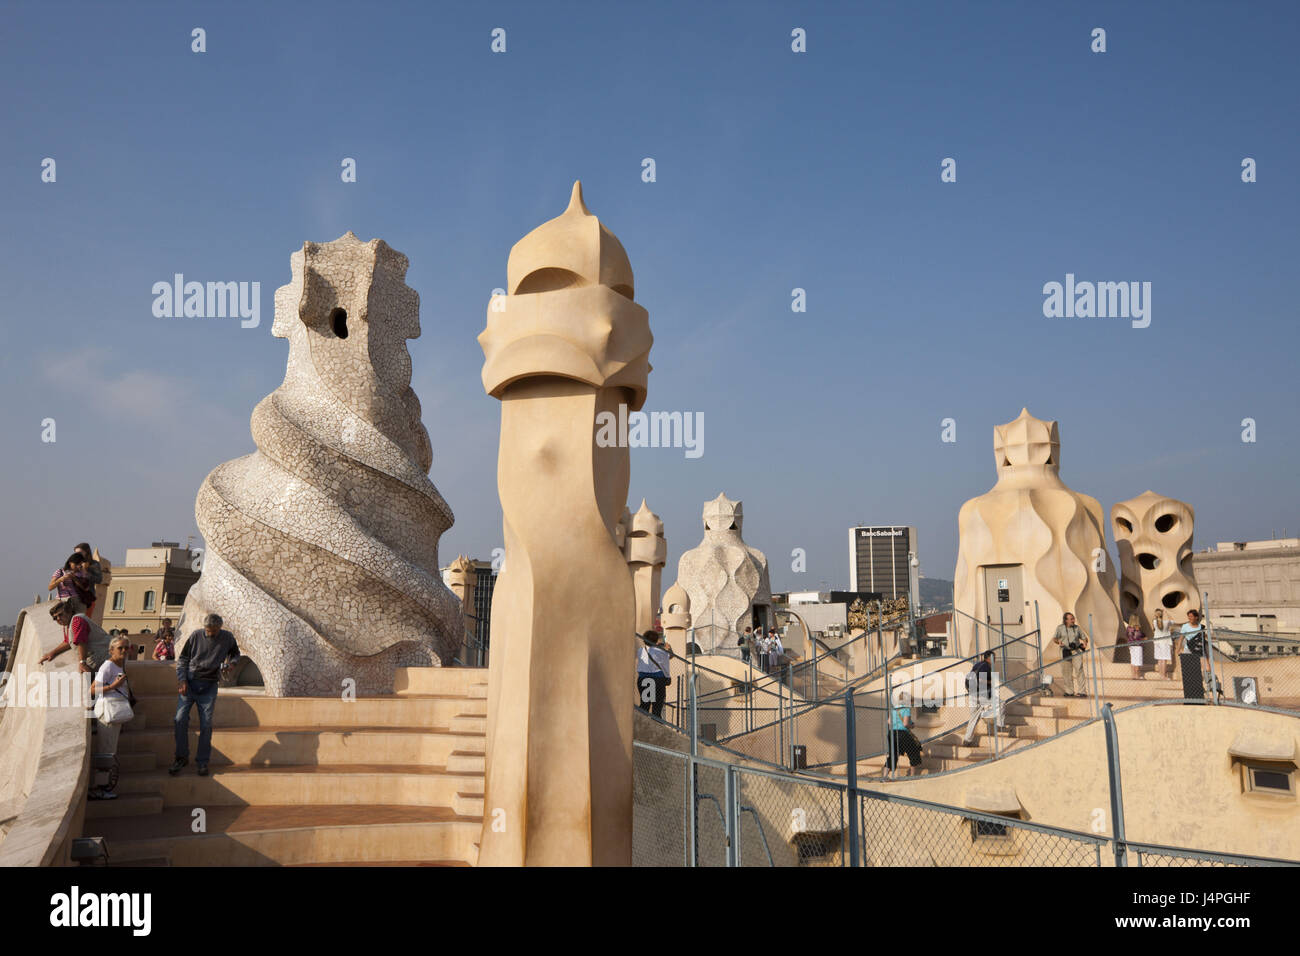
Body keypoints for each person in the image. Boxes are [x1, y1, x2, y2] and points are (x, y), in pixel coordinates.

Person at [172, 613, 240, 776]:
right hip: (190, 683)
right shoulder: (195, 636)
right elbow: (182, 660)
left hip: (209, 686)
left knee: (206, 724)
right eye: (208, 630)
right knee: (179, 719)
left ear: (220, 628)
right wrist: (182, 680)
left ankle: (202, 762)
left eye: (214, 631)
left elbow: (235, 654)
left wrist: (232, 664)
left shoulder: (227, 638)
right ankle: (181, 757)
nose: (210, 634)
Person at [90, 636, 133, 801]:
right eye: (120, 648)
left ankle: (103, 787)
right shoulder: (108, 666)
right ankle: (99, 789)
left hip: (115, 712)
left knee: (109, 751)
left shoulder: (120, 664)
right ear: (111, 650)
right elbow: (92, 690)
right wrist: (113, 686)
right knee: (106, 753)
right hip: (107, 713)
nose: (124, 651)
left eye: (126, 648)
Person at [38, 597, 95, 674]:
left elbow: (81, 641)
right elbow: (68, 641)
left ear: (69, 612)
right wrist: (52, 653)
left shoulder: (77, 620)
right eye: (55, 618)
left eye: (60, 615)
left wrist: (82, 663)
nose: (58, 619)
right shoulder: (68, 626)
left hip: (105, 656)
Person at [962, 651, 1001, 744]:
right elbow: (980, 679)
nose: (995, 660)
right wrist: (991, 682)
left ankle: (967, 739)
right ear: (988, 658)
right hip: (980, 694)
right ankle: (997, 724)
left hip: (973, 693)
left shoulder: (978, 665)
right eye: (993, 658)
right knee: (1000, 703)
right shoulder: (986, 666)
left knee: (974, 717)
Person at [885, 691, 924, 776]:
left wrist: (897, 723)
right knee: (914, 751)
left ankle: (885, 776)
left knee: (893, 755)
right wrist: (912, 725)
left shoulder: (894, 708)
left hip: (892, 733)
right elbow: (906, 724)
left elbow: (889, 721)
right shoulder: (906, 709)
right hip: (902, 734)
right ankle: (912, 775)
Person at [636, 631, 672, 718]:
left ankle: (642, 723)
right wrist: (668, 649)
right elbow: (669, 657)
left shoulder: (640, 650)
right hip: (657, 680)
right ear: (656, 640)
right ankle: (657, 722)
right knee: (657, 706)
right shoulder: (660, 651)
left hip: (644, 679)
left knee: (645, 705)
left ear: (644, 640)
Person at [1052, 612, 1089, 697]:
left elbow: (1084, 638)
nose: (1073, 620)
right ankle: (1069, 691)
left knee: (1079, 670)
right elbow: (1055, 638)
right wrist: (1059, 642)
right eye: (1071, 619)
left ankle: (1082, 691)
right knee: (1066, 672)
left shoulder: (1077, 628)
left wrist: (1085, 643)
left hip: (1076, 651)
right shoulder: (1060, 628)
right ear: (1066, 620)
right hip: (1065, 651)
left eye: (1073, 618)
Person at [1178, 609, 1214, 695]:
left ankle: (1207, 684)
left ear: (1196, 617)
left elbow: (1203, 640)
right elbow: (1181, 639)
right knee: (1189, 669)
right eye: (1188, 616)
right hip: (1188, 649)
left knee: (1207, 667)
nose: (1189, 618)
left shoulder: (1201, 627)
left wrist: (1207, 654)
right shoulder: (1185, 626)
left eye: (1191, 616)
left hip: (1200, 650)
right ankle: (1190, 686)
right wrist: (1178, 649)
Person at [1151, 608, 1174, 680]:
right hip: (1165, 642)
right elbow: (1173, 621)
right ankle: (1163, 676)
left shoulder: (1154, 622)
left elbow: (1155, 618)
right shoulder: (1166, 622)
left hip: (1157, 642)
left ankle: (1160, 675)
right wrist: (1167, 613)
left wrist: (1157, 614)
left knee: (1159, 659)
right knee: (1164, 659)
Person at [1124, 614, 1146, 679]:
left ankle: (1133, 675)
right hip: (1137, 646)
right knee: (1137, 661)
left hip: (1131, 645)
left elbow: (1127, 635)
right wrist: (1144, 638)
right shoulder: (1137, 628)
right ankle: (1137, 675)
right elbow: (1138, 636)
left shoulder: (1128, 628)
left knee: (1133, 660)